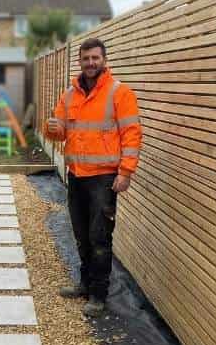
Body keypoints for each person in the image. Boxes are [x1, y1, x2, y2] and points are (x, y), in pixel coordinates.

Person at [43, 38, 142, 317]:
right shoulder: (70, 94)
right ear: (80, 61)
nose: (90, 63)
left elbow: (132, 136)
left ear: (104, 60)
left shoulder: (119, 93)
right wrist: (51, 128)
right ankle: (85, 284)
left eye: (95, 58)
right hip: (77, 176)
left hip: (104, 179)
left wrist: (126, 172)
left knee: (100, 238)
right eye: (86, 58)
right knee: (81, 235)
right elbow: (60, 131)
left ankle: (99, 295)